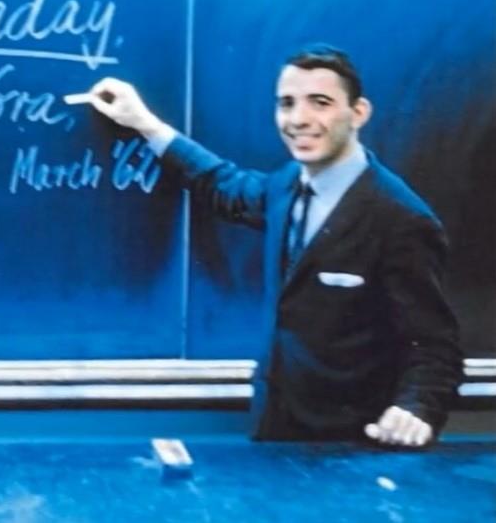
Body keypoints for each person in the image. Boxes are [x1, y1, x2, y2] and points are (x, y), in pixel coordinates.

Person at [86, 45, 463, 447]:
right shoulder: (285, 185)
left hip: (352, 453)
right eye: (286, 104)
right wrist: (144, 123)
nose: (299, 119)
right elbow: (223, 185)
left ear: (359, 112)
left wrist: (417, 409)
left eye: (320, 103)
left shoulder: (400, 218)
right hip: (275, 433)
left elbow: (435, 346)